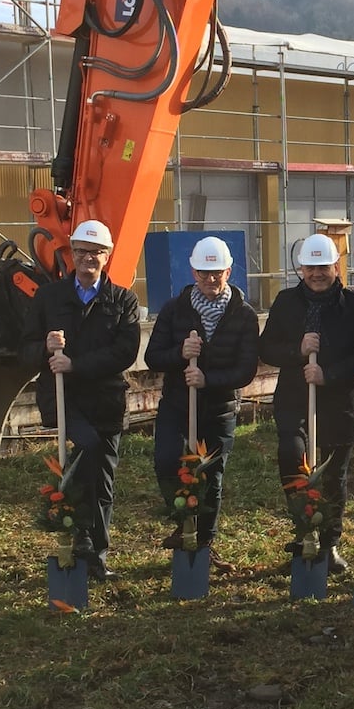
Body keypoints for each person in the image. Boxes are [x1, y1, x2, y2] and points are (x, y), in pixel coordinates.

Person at [19, 219, 140, 581]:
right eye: (82, 251)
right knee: (80, 458)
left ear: (108, 255)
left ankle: (95, 553)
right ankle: (78, 540)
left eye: (96, 252)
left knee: (101, 481)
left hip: (105, 401)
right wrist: (45, 347)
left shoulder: (123, 300)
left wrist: (76, 363)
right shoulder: (49, 298)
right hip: (64, 400)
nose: (88, 258)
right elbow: (22, 350)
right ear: (72, 253)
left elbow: (125, 351)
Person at [259, 233, 354, 573]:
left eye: (323, 267)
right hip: (295, 401)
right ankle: (303, 537)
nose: (316, 274)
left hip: (338, 403)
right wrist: (298, 349)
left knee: (332, 476)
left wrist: (328, 374)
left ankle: (328, 545)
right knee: (292, 460)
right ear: (300, 269)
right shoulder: (285, 302)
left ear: (336, 267)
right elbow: (266, 349)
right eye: (310, 268)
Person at [145, 236, 258, 574]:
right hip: (178, 405)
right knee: (167, 461)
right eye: (204, 273)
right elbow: (152, 357)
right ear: (193, 271)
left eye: (217, 273)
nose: (211, 280)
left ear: (229, 270)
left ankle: (204, 543)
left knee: (211, 476)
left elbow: (245, 369)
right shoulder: (174, 309)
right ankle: (183, 522)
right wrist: (180, 354)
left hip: (219, 408)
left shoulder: (243, 314)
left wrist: (209, 380)